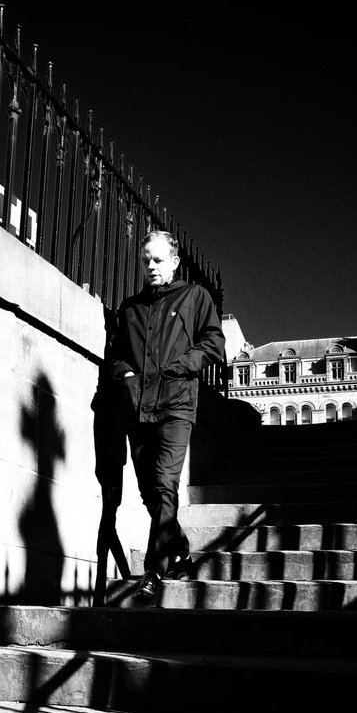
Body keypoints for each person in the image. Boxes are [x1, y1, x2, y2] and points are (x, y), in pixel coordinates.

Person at [107, 229, 225, 604]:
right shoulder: (130, 308)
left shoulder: (194, 297)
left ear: (174, 262)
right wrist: (124, 375)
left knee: (163, 484)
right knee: (149, 493)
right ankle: (183, 554)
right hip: (137, 409)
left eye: (158, 260)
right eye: (146, 261)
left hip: (176, 405)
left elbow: (213, 342)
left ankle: (153, 573)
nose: (151, 267)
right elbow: (115, 355)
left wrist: (183, 366)